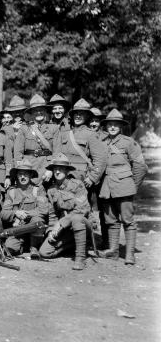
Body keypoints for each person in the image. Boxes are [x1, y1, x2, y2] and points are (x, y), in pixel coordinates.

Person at [98, 109, 148, 265]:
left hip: (124, 185)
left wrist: (133, 185)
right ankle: (113, 251)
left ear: (121, 127)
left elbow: (140, 166)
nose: (112, 127)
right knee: (111, 221)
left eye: (116, 125)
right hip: (107, 187)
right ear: (106, 127)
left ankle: (130, 254)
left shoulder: (128, 142)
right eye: (109, 125)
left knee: (128, 220)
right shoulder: (101, 142)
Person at [39, 153, 91, 270]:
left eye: (61, 169)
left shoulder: (78, 185)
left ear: (67, 171)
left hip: (81, 224)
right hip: (64, 228)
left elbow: (81, 210)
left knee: (77, 219)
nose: (57, 172)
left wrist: (61, 224)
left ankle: (80, 257)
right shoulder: (51, 190)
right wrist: (51, 231)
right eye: (55, 169)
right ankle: (74, 245)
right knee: (44, 252)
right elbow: (52, 214)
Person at [52, 99, 107, 207]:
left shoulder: (91, 135)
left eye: (81, 114)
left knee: (81, 207)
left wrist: (92, 177)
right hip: (64, 177)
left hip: (81, 178)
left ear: (87, 117)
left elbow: (100, 159)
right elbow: (57, 154)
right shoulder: (65, 133)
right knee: (63, 205)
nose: (78, 116)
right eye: (76, 114)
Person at [0, 160, 49, 258]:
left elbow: (44, 210)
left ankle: (34, 247)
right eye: (20, 174)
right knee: (9, 249)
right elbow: (3, 213)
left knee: (38, 220)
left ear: (31, 175)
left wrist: (26, 214)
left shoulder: (38, 190)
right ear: (16, 176)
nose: (22, 177)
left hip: (33, 227)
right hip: (18, 229)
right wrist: (16, 213)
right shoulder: (12, 192)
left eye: (25, 174)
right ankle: (23, 245)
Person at [13, 95, 59, 182]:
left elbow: (57, 152)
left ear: (45, 111)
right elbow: (18, 152)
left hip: (47, 166)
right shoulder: (24, 128)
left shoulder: (54, 128)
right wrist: (21, 170)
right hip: (29, 167)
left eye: (41, 110)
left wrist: (51, 169)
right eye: (36, 110)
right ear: (31, 113)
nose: (39, 112)